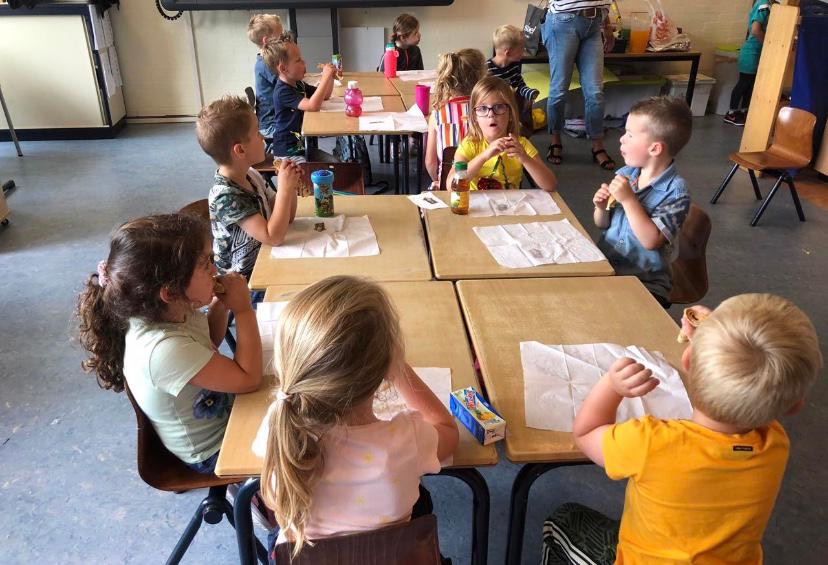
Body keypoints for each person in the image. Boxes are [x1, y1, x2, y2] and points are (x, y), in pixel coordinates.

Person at [541, 294, 823, 565]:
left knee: (563, 520)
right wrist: (712, 334)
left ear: (686, 360)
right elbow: (757, 375)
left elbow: (586, 432)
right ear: (795, 406)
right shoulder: (775, 442)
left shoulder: (651, 443)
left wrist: (611, 386)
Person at [261, 275, 459, 557]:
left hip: (308, 557)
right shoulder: (407, 439)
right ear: (386, 368)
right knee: (422, 500)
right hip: (391, 558)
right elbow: (448, 430)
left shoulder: (280, 423)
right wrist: (399, 368)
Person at [76, 213, 265, 474]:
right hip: (217, 448)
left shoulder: (170, 309)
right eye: (205, 264)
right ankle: (253, 494)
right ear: (170, 291)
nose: (214, 270)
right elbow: (249, 380)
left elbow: (207, 342)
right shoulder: (163, 349)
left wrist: (221, 304)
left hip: (233, 412)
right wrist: (243, 311)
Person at [592, 96, 692, 308]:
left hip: (645, 282)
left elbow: (651, 241)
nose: (621, 139)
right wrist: (601, 208)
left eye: (629, 134)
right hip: (607, 268)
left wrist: (629, 200)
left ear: (655, 149)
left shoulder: (675, 193)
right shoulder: (627, 173)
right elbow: (602, 224)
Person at [196, 95, 301, 280]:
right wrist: (284, 189)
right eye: (257, 133)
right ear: (240, 150)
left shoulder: (251, 174)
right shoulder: (226, 197)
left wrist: (290, 186)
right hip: (243, 282)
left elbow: (287, 218)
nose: (263, 137)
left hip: (266, 259)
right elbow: (273, 237)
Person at [542, 1, 616, 169]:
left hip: (595, 22)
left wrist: (607, 25)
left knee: (595, 91)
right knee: (559, 89)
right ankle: (555, 141)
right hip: (563, 21)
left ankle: (597, 145)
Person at [454, 76, 557, 192]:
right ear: (474, 117)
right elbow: (451, 185)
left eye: (499, 107)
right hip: (476, 203)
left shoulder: (520, 144)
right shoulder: (470, 144)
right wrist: (484, 156)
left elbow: (550, 185)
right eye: (483, 108)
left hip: (511, 203)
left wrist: (525, 158)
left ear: (511, 114)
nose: (491, 114)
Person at [262, 37, 338, 162]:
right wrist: (324, 77)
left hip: (302, 147)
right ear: (283, 68)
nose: (304, 62)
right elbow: (313, 106)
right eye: (298, 60)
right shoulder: (282, 91)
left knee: (335, 164)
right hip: (288, 153)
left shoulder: (298, 84)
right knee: (311, 173)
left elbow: (325, 96)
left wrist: (330, 78)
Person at [425, 48, 487, 188]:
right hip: (486, 185)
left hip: (451, 186)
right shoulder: (488, 112)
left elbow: (430, 163)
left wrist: (440, 180)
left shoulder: (437, 114)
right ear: (481, 77)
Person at [724, 1, 777, 126]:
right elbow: (755, 30)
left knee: (750, 85)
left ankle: (744, 111)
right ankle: (731, 113)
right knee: (744, 83)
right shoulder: (763, 4)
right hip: (751, 52)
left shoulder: (768, 4)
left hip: (756, 53)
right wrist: (768, 44)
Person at [487, 24, 540, 136]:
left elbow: (519, 83)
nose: (523, 52)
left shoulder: (514, 65)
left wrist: (527, 93)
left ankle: (522, 132)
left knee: (523, 101)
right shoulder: (488, 69)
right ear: (508, 53)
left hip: (512, 101)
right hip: (496, 105)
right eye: (521, 49)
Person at [247, 14, 284, 140]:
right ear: (266, 41)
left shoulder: (270, 61)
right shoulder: (265, 64)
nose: (283, 41)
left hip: (276, 117)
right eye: (280, 37)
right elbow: (289, 86)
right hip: (272, 124)